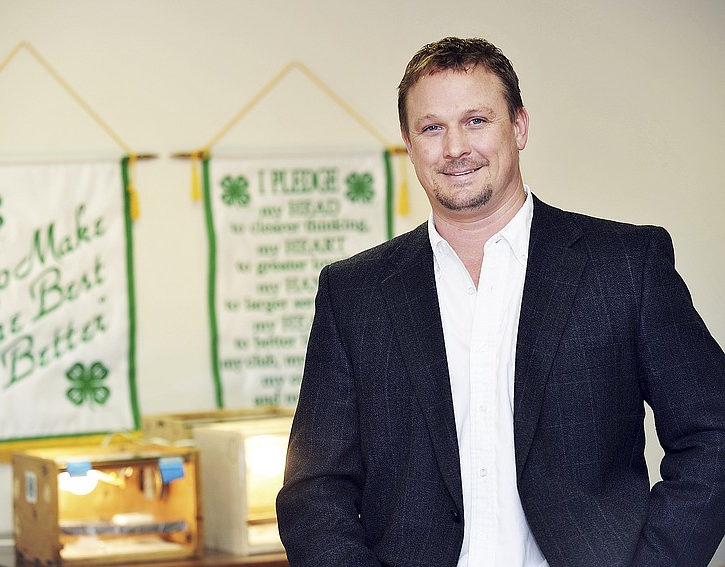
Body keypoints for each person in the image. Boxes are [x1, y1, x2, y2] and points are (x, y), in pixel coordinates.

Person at [275, 36, 725, 566]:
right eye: (432, 127)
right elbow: (313, 489)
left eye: (476, 121)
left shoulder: (625, 265)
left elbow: (714, 434)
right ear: (408, 142)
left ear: (519, 127)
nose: (454, 148)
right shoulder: (354, 293)